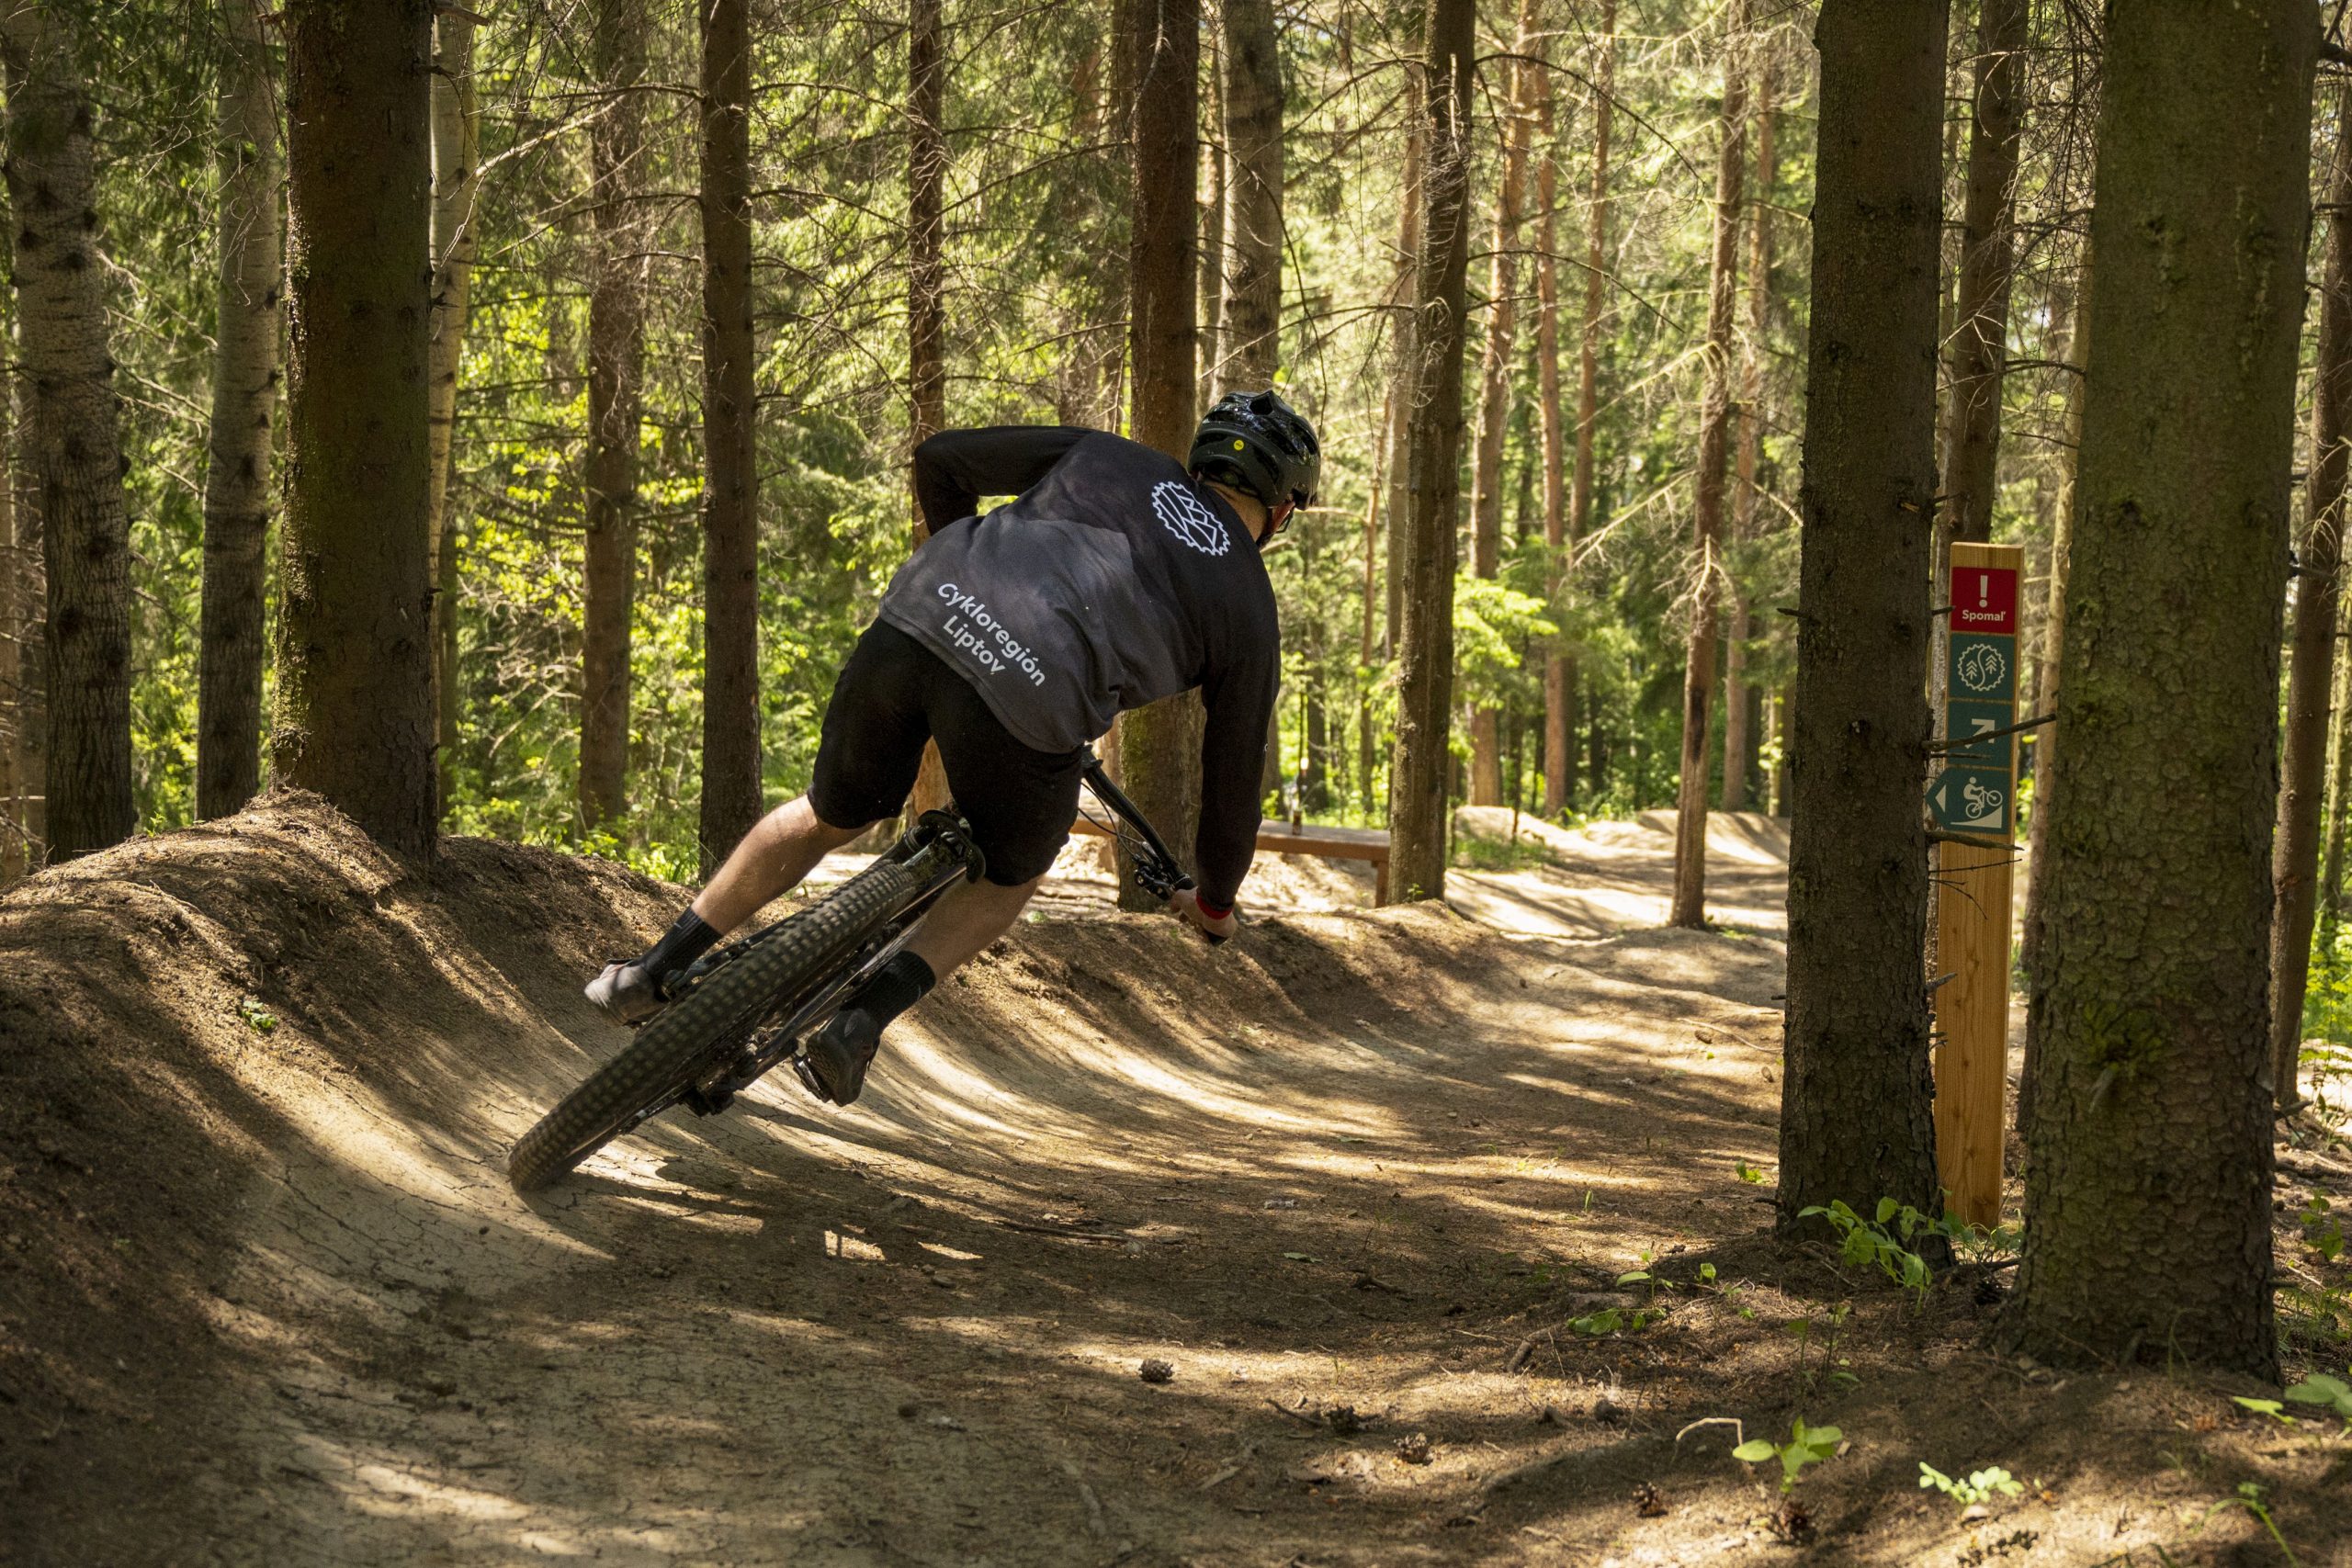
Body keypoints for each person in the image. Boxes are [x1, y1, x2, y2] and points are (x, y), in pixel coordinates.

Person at [585, 389, 1320, 1109]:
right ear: (1282, 510)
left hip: (922, 613)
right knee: (1009, 875)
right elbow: (1232, 782)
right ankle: (860, 1023)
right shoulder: (1250, 608)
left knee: (825, 814)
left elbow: (941, 458)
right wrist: (1215, 903)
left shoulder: (1111, 456)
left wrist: (965, 576)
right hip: (1032, 701)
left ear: (1199, 461)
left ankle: (650, 969)